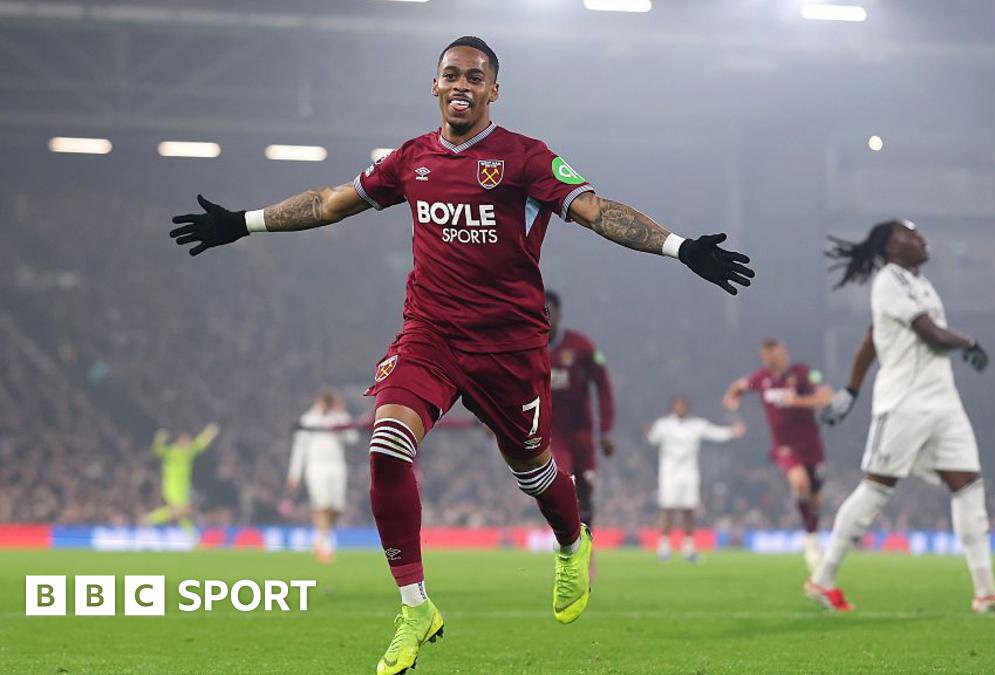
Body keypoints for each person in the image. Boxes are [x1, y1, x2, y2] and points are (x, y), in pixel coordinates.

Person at [167, 35, 753, 674]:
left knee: (532, 470)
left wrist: (679, 246)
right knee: (387, 444)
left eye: (476, 77)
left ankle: (571, 542)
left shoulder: (525, 158)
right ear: (435, 85)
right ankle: (415, 607)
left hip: (510, 346)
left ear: (494, 90)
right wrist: (242, 223)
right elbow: (332, 202)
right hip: (431, 334)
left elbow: (595, 210)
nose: (462, 85)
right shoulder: (411, 160)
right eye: (451, 75)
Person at [812, 219, 995, 613]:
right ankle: (822, 579)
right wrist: (969, 342)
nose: (921, 239)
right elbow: (930, 334)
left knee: (969, 486)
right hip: (904, 403)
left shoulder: (920, 283)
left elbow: (871, 337)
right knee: (877, 488)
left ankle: (986, 591)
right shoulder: (889, 281)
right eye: (910, 236)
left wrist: (850, 389)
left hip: (944, 402)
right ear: (892, 248)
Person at [723, 339, 831, 570]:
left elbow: (825, 396)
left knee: (815, 499)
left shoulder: (805, 373)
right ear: (766, 359)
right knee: (800, 483)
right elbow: (739, 385)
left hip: (811, 446)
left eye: (782, 353)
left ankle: (812, 533)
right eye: (773, 356)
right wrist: (732, 397)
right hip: (784, 446)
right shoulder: (761, 379)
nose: (780, 358)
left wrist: (798, 400)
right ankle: (810, 542)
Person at [646, 395, 745, 562]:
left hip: (689, 473)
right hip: (669, 473)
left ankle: (689, 549)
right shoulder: (663, 425)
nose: (681, 408)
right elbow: (652, 440)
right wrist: (649, 433)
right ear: (672, 407)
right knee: (667, 509)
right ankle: (664, 547)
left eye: (683, 405)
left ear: (688, 408)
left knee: (689, 511)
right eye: (678, 405)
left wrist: (732, 432)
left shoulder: (696, 425)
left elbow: (715, 432)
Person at [546, 290, 615, 530]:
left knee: (585, 491)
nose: (544, 317)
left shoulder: (581, 346)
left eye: (548, 311)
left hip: (582, 432)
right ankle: (567, 547)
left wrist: (605, 430)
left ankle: (586, 549)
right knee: (565, 484)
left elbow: (603, 386)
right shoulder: (527, 347)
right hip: (552, 434)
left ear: (559, 314)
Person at [287, 388, 359, 563]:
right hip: (316, 466)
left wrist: (341, 416)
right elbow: (299, 448)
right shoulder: (308, 419)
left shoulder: (339, 417)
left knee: (336, 507)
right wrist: (294, 473)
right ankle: (324, 543)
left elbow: (352, 438)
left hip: (337, 466)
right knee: (322, 504)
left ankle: (321, 538)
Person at [143, 423, 219, 533]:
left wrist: (209, 433)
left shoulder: (188, 452)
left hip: (183, 488)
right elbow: (157, 450)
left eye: (188, 440)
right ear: (179, 441)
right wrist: (160, 438)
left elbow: (200, 443)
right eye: (186, 440)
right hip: (172, 487)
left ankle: (192, 538)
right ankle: (151, 518)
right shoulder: (171, 452)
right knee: (182, 510)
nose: (188, 442)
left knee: (181, 513)